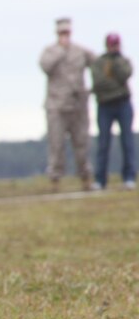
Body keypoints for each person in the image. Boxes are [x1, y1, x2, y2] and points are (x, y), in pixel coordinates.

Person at [40, 17, 96, 191]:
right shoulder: (49, 51)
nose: (65, 35)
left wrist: (92, 89)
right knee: (56, 144)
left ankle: (85, 178)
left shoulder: (80, 51)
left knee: (82, 143)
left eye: (67, 32)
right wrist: (60, 52)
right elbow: (45, 66)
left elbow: (98, 65)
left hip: (78, 104)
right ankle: (55, 181)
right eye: (61, 32)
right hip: (56, 105)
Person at [91, 32, 135, 190]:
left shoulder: (123, 61)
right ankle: (100, 180)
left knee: (127, 141)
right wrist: (115, 84)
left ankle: (129, 177)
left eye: (116, 44)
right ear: (107, 45)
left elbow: (125, 75)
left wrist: (116, 62)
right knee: (103, 143)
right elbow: (99, 83)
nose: (114, 47)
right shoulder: (98, 62)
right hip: (104, 105)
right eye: (112, 44)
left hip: (123, 103)